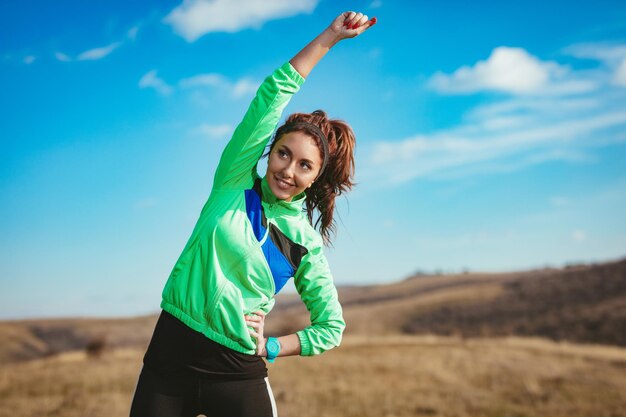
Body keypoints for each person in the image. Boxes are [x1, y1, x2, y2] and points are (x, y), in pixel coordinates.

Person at [129, 10, 377, 417]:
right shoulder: (234, 181)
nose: (288, 170)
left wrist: (274, 345)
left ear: (316, 178)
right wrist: (330, 37)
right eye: (284, 154)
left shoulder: (304, 242)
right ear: (269, 150)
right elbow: (273, 93)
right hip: (169, 358)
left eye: (304, 166)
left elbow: (331, 328)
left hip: (236, 372)